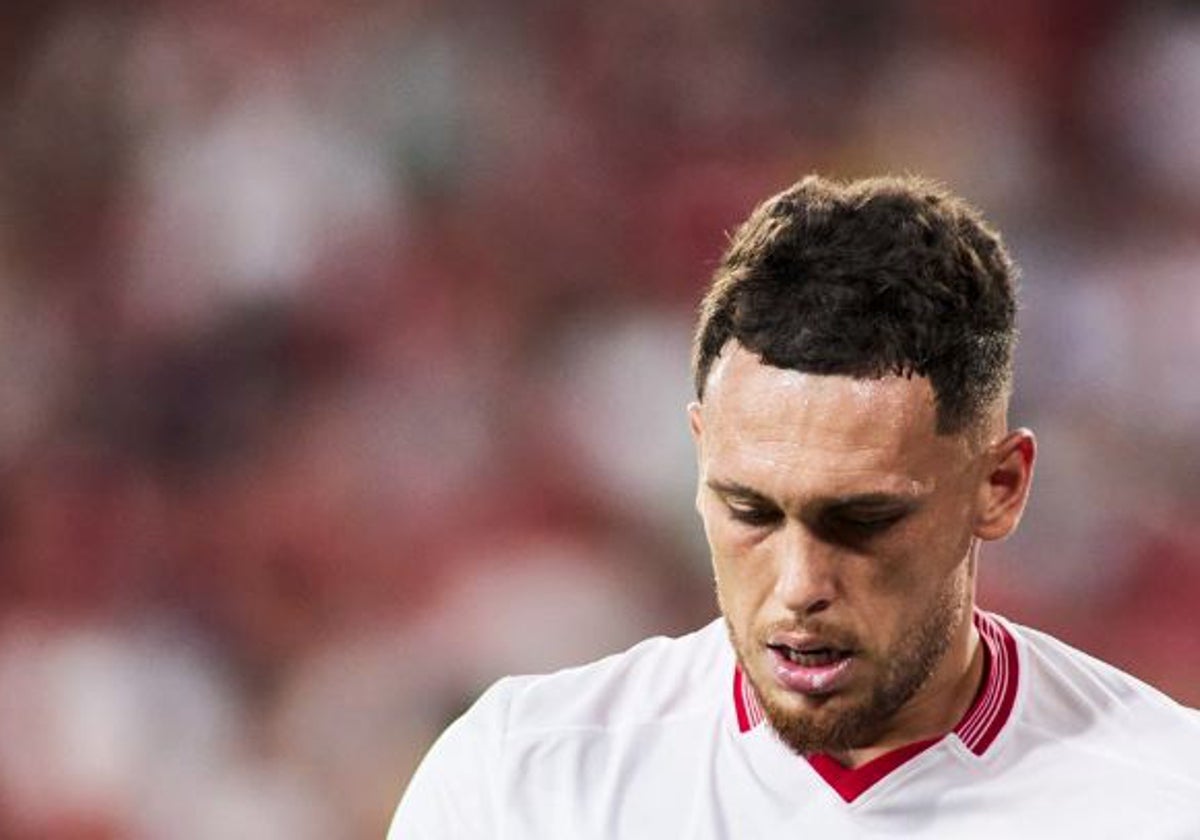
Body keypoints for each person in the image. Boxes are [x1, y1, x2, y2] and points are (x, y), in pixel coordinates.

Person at [387, 175, 1200, 837]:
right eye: (751, 511)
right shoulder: (526, 783)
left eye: (862, 520)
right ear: (700, 457)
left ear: (1000, 487)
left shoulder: (1162, 801)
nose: (799, 583)